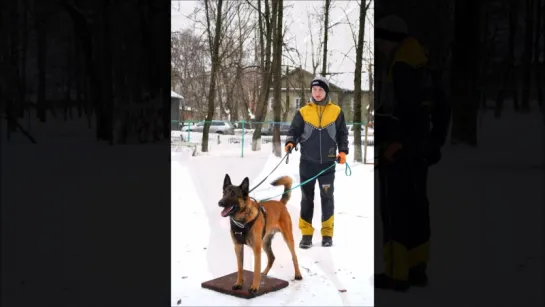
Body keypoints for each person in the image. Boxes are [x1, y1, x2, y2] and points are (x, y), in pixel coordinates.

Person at [374, 15, 450, 291]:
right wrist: (435, 142)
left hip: (400, 154)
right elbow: (441, 107)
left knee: (395, 212)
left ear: (390, 39)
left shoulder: (402, 66)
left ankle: (396, 274)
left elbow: (408, 112)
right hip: (420, 152)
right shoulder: (424, 63)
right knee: (418, 209)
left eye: (380, 40)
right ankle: (417, 268)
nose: (379, 46)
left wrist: (396, 144)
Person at [284, 76, 349, 248]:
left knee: (327, 198)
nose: (317, 93)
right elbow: (294, 131)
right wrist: (290, 142)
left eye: (320, 90)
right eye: (314, 89)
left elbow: (342, 134)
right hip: (307, 163)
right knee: (307, 198)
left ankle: (327, 234)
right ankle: (306, 234)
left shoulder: (336, 111)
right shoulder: (303, 112)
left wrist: (343, 151)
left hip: (328, 163)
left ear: (326, 91)